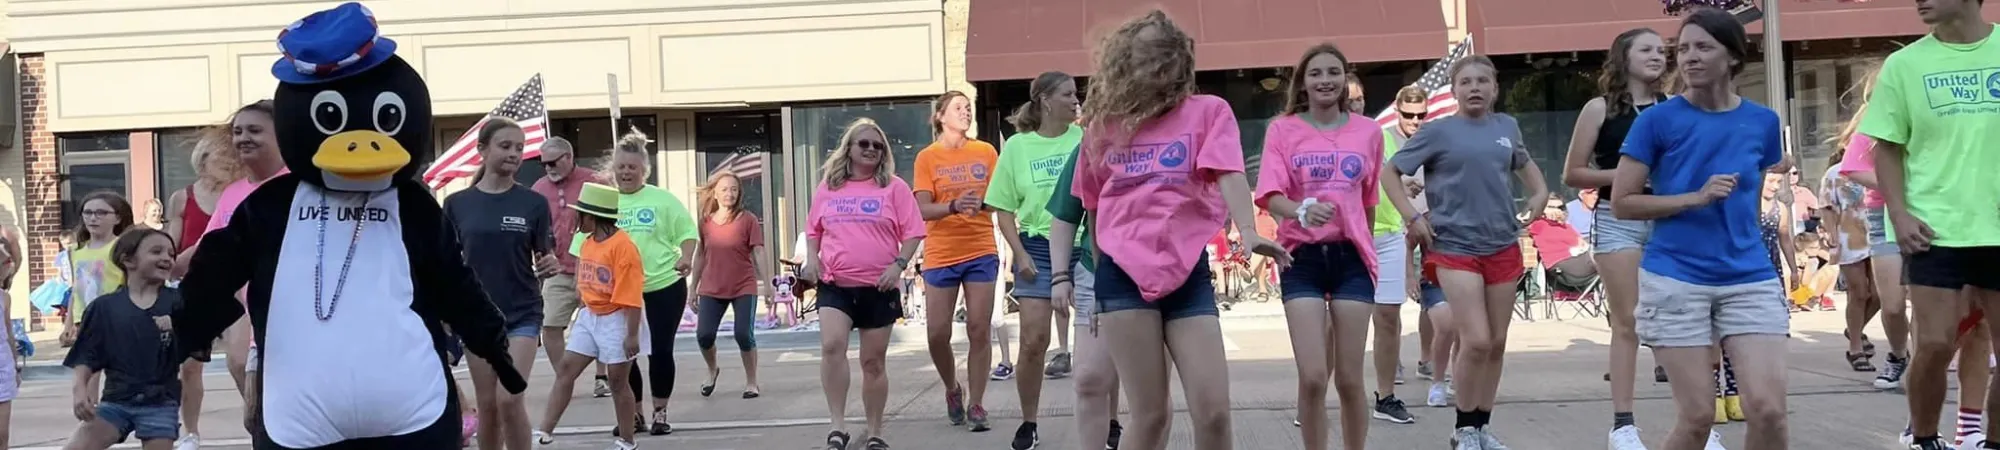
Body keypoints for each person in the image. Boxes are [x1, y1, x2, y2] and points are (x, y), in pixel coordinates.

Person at [1071, 10, 1289, 450]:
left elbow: (1228, 172)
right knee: (1150, 417)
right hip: (1122, 279)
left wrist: (1248, 232)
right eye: (1143, 55)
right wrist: (1098, 279)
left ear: (1180, 61)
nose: (1155, 64)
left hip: (1186, 274)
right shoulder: (1103, 127)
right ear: (1125, 64)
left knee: (1213, 412)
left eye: (1164, 54)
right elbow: (1094, 206)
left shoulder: (1208, 112)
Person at [1611, 8, 1790, 449]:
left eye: (1703, 47)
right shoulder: (1656, 120)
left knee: (1768, 410)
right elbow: (1622, 202)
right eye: (1684, 48)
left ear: (1731, 57)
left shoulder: (1763, 122)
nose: (1689, 57)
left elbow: (1751, 195)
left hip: (1748, 276)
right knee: (1697, 417)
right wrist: (1694, 197)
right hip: (1676, 277)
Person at [1258, 42, 1425, 450]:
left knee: (1350, 377)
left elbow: (1368, 199)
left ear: (1345, 80)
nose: (1325, 80)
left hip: (1352, 257)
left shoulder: (1368, 132)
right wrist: (1299, 211)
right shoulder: (1283, 129)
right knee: (1314, 375)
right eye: (1315, 73)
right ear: (1303, 82)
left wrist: (1366, 248)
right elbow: (1269, 194)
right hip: (1302, 257)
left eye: (1333, 72)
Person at [1854, 0, 2000, 448]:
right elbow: (1887, 147)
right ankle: (1923, 436)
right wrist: (1898, 212)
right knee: (1935, 345)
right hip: (1934, 229)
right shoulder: (1904, 65)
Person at [1388, 51, 1550, 449]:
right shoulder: (1437, 132)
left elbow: (1533, 178)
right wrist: (1412, 217)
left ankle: (1481, 427)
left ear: (1495, 89)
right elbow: (1390, 173)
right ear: (1454, 90)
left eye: (1482, 81)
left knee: (1495, 343)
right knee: (1475, 339)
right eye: (1466, 81)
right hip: (1454, 247)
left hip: (1502, 244)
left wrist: (1541, 197)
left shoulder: (1507, 127)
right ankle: (1461, 429)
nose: (1474, 87)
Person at [1559, 26, 1669, 450]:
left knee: (1678, 318)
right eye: (1646, 49)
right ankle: (1623, 424)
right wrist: (1628, 176)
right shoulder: (1598, 108)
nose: (1657, 56)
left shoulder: (1673, 107)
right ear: (1624, 58)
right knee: (1627, 321)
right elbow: (1573, 173)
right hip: (1617, 215)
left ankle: (1699, 421)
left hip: (1666, 216)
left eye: (1661, 50)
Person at [802, 118, 926, 450]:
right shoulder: (830, 186)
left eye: (878, 145)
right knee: (832, 346)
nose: (871, 149)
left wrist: (898, 266)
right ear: (849, 149)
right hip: (835, 284)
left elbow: (914, 232)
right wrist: (812, 259)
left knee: (872, 362)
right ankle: (837, 426)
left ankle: (875, 432)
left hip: (879, 287)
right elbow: (813, 230)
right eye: (864, 144)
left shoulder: (895, 187)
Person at [442, 118, 557, 450]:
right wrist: (445, 310)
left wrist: (548, 263)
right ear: (482, 150)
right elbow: (446, 262)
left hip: (522, 312)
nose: (514, 154)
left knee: (509, 399)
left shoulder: (533, 204)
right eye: (505, 146)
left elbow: (544, 254)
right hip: (477, 316)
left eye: (520, 148)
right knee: (488, 405)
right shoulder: (457, 205)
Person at [985, 70, 1085, 449]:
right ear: (1044, 101)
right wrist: (1020, 254)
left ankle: (1109, 421)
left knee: (1100, 339)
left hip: (1084, 244)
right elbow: (1004, 208)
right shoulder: (1017, 147)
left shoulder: (1085, 139)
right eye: (1067, 94)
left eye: (1077, 94)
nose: (1076, 101)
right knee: (1033, 340)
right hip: (1037, 248)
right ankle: (1029, 421)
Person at [175, 101, 283, 434]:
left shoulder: (299, 182)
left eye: (254, 130)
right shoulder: (235, 192)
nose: (242, 138)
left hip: (289, 303)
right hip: (246, 299)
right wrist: (169, 263)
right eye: (237, 131)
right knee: (242, 372)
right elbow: (211, 244)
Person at [912, 90, 1003, 432]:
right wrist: (952, 206)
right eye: (958, 108)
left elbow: (999, 200)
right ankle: (953, 388)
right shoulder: (927, 157)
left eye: (969, 107)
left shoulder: (985, 151)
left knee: (979, 329)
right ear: (940, 116)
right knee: (937, 333)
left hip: (980, 248)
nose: (966, 112)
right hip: (941, 252)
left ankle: (977, 404)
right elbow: (921, 209)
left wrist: (980, 203)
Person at [531, 182, 647, 450]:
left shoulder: (623, 247)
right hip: (589, 315)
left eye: (580, 214)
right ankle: (545, 432)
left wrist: (631, 335)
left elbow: (631, 296)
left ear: (593, 216)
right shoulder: (587, 241)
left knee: (618, 382)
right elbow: (584, 275)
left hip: (617, 318)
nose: (575, 219)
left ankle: (628, 440)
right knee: (566, 370)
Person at [59, 228, 183, 450]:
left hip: (161, 403)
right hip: (116, 402)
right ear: (128, 260)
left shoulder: (179, 303)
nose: (166, 257)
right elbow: (87, 355)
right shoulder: (104, 307)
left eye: (171, 254)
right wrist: (80, 391)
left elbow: (198, 342)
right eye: (156, 251)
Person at [1049, 134, 1126, 450]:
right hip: (1097, 269)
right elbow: (1065, 215)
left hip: (1161, 275)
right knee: (1090, 378)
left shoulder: (1177, 129)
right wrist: (1059, 276)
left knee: (1150, 396)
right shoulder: (1093, 143)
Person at [1352, 77, 1421, 418]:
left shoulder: (1378, 135)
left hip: (1389, 235)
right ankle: (1314, 398)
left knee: (1389, 317)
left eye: (1360, 98)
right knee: (1338, 321)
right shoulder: (1326, 137)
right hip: (1347, 237)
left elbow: (1389, 175)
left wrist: (1407, 188)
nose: (1356, 104)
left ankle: (1386, 397)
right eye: (1349, 98)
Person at [528, 137, 613, 397]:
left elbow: (611, 222)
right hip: (558, 270)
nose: (548, 168)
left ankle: (602, 377)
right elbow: (534, 227)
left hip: (593, 267)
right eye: (543, 164)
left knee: (601, 325)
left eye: (553, 162)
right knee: (551, 325)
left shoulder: (595, 181)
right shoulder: (539, 188)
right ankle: (565, 376)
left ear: (569, 157)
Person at [686, 170, 768, 399]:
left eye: (733, 189)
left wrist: (768, 285)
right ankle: (712, 369)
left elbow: (758, 251)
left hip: (743, 285)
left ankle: (752, 382)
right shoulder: (705, 222)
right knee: (704, 335)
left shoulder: (748, 220)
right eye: (724, 189)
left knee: (743, 334)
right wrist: (692, 288)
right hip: (712, 286)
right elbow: (700, 254)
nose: (729, 194)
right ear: (714, 193)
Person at [61, 191, 135, 347]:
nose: (93, 218)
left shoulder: (122, 247)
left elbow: (133, 285)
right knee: (86, 368)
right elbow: (76, 288)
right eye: (88, 213)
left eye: (101, 213)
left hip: (115, 319)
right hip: (84, 320)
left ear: (118, 218)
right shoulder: (75, 251)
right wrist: (69, 323)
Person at [1528, 197, 1594, 285]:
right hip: (1562, 266)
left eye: (1560, 207)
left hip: (1579, 259)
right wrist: (1540, 213)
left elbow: (1582, 243)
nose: (1556, 210)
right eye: (1551, 207)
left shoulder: (1566, 226)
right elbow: (1522, 219)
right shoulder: (1539, 224)